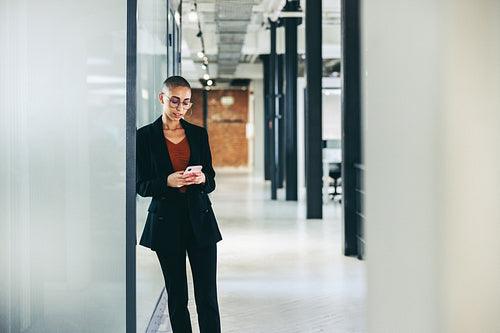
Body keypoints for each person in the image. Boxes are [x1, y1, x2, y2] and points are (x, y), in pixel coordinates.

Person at [136, 76, 222, 333]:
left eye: (186, 103)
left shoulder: (198, 134)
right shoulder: (144, 137)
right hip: (166, 223)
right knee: (177, 298)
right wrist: (167, 181)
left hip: (200, 220)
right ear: (162, 98)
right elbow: (142, 186)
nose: (180, 108)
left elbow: (211, 180)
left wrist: (203, 177)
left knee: (207, 296)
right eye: (175, 101)